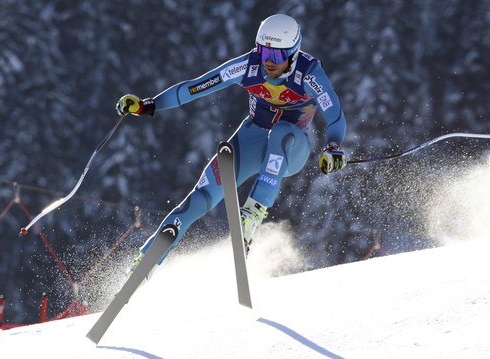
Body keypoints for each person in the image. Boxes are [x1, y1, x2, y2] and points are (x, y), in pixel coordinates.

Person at [116, 14, 347, 273]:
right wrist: (150, 105)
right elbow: (195, 87)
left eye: (278, 55)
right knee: (203, 194)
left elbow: (335, 113)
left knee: (282, 130)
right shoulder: (247, 66)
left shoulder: (309, 72)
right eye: (263, 51)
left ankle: (252, 213)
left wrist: (333, 147)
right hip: (253, 138)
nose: (269, 61)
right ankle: (146, 260)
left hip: (291, 147)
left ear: (293, 54)